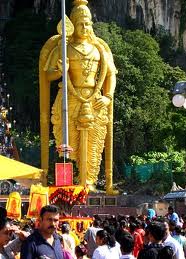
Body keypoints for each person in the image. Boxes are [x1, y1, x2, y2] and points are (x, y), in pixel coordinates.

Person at [39, 0, 117, 194]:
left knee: (95, 141)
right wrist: (60, 70)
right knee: (68, 143)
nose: (85, 27)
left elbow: (111, 74)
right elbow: (47, 74)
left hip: (94, 98)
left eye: (88, 23)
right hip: (69, 99)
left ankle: (90, 181)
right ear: (72, 24)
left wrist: (107, 96)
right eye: (80, 23)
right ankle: (70, 180)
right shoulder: (63, 47)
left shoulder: (99, 48)